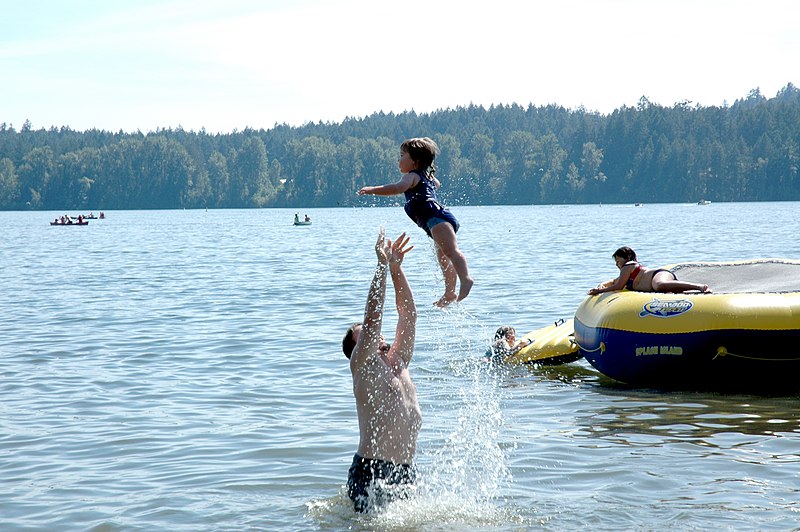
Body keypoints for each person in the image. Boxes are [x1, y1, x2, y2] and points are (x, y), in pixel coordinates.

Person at [341, 228, 421, 513]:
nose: (378, 338)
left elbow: (409, 315)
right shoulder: (361, 366)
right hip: (372, 472)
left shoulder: (398, 361)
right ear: (358, 349)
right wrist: (381, 266)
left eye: (377, 337)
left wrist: (397, 269)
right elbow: (373, 318)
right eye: (366, 339)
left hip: (405, 472)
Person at [358, 137, 473, 307]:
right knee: (443, 257)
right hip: (435, 222)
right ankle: (450, 292)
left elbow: (397, 188)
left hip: (437, 217)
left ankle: (466, 279)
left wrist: (373, 190)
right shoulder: (426, 177)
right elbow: (436, 183)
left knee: (451, 252)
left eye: (403, 155)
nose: (399, 159)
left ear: (415, 161)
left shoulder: (411, 176)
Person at [588, 246, 711, 295]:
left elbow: (619, 285)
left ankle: (700, 287)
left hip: (658, 275)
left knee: (659, 285)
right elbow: (613, 281)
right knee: (661, 288)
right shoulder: (625, 271)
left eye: (618, 261)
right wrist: (601, 286)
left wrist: (600, 291)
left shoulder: (628, 266)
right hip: (656, 279)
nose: (617, 265)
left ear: (628, 258)